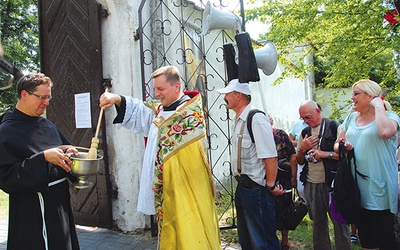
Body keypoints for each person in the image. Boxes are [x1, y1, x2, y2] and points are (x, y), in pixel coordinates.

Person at [99, 65, 220, 249]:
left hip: (185, 187)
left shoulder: (189, 116)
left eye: (161, 89)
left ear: (176, 87)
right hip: (166, 187)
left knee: (188, 228)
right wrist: (116, 98)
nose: (156, 94)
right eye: (155, 89)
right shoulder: (162, 110)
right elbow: (141, 111)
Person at [0, 73, 80, 249]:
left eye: (48, 97)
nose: (47, 102)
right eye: (42, 97)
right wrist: (43, 158)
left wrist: (70, 152)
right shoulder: (6, 131)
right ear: (24, 94)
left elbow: (61, 150)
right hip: (33, 210)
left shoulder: (47, 125)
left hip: (59, 203)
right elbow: (6, 177)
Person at [217, 79, 284, 249]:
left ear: (238, 95)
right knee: (247, 239)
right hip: (244, 186)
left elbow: (270, 157)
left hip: (256, 188)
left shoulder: (256, 119)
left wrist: (269, 186)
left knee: (263, 242)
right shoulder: (240, 119)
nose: (224, 97)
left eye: (228, 94)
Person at [334, 79, 400, 249]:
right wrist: (343, 145)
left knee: (385, 238)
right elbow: (337, 144)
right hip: (356, 189)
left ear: (370, 95)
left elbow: (385, 132)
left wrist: (379, 106)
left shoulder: (390, 117)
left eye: (356, 94)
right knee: (366, 238)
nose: (352, 97)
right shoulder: (351, 118)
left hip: (379, 189)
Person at [296, 100, 351, 250]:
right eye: (303, 119)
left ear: (318, 111)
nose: (307, 121)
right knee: (318, 225)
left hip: (333, 184)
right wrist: (303, 149)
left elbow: (344, 157)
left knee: (340, 224)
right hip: (312, 183)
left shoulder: (335, 127)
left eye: (308, 117)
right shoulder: (304, 132)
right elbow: (299, 160)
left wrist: (324, 154)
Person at [268, 114, 297, 250]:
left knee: (285, 207)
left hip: (283, 175)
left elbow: (292, 154)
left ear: (272, 122)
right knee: (269, 209)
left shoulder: (281, 135)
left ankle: (285, 241)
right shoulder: (257, 137)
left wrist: (293, 176)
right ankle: (271, 238)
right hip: (266, 178)